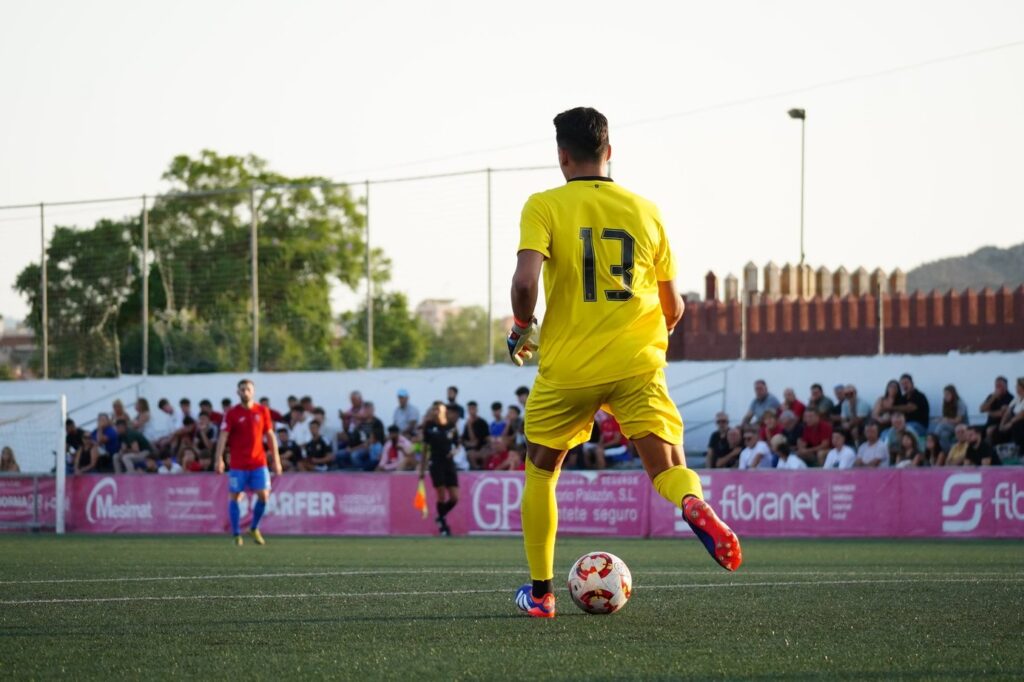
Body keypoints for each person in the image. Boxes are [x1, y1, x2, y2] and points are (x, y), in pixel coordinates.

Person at [507, 107, 740, 618]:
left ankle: (542, 595)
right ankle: (690, 504)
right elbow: (674, 306)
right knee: (668, 467)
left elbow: (525, 284)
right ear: (609, 153)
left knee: (542, 472)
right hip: (636, 362)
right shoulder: (645, 210)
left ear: (562, 156)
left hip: (568, 367)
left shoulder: (543, 205)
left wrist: (522, 328)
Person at [214, 378, 282, 546]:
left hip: (259, 462)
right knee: (235, 496)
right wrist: (219, 459)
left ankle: (254, 527)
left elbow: (270, 436)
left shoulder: (262, 411)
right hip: (238, 464)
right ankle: (236, 534)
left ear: (253, 391)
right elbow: (223, 436)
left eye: (248, 389)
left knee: (264, 496)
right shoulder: (232, 413)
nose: (245, 392)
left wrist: (276, 460)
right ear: (238, 392)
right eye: (242, 389)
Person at [418, 403, 459, 536]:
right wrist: (422, 469)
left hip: (449, 463)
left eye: (440, 409)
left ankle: (440, 516)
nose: (438, 412)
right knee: (441, 494)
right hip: (436, 463)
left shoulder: (451, 426)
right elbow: (425, 448)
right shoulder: (429, 427)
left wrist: (454, 451)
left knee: (454, 497)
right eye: (435, 409)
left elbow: (457, 445)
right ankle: (442, 525)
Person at [932, 384, 967, 452]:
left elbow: (958, 420)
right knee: (944, 435)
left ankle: (934, 439)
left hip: (961, 426)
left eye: (947, 394)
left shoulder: (960, 403)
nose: (945, 396)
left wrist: (945, 420)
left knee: (942, 425)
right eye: (944, 394)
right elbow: (946, 417)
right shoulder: (946, 403)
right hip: (951, 426)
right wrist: (940, 419)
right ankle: (948, 452)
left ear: (953, 394)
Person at [980, 376, 1013, 444]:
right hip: (989, 423)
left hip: (1001, 424)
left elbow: (1001, 414)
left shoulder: (1010, 398)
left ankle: (990, 449)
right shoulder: (991, 396)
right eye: (996, 385)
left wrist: (989, 412)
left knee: (990, 430)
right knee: (973, 430)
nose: (998, 387)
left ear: (1005, 386)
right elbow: (982, 409)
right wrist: (993, 398)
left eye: (1000, 385)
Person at [461, 401, 491, 470]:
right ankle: (476, 469)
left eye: (473, 408)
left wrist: (470, 426)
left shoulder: (482, 422)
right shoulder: (467, 424)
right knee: (470, 454)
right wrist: (467, 443)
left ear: (476, 409)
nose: (471, 411)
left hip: (482, 448)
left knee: (484, 455)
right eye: (470, 409)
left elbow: (475, 440)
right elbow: (464, 438)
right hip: (471, 449)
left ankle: (484, 470)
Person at [996, 377, 1024, 451]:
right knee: (998, 430)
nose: (1016, 387)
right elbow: (1008, 410)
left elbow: (1021, 414)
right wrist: (1002, 424)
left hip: (1020, 422)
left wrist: (1009, 424)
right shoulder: (1017, 398)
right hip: (1014, 421)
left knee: (1017, 425)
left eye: (1017, 386)